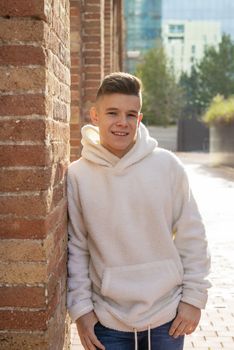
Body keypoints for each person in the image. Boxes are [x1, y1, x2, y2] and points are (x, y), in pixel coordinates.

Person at [67, 72, 211, 350]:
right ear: (95, 116)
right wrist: (81, 310)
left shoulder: (168, 166)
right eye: (112, 113)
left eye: (131, 114)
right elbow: (77, 248)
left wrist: (194, 299)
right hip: (107, 320)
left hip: (168, 316)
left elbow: (192, 236)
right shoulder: (78, 176)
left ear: (139, 119)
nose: (122, 122)